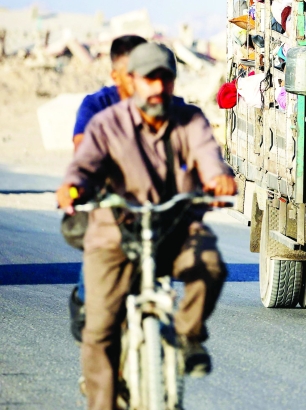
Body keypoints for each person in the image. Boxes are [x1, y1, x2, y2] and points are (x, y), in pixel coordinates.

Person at [56, 43, 236, 410]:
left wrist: (218, 179)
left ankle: (187, 336)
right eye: (149, 79)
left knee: (210, 267)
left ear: (173, 82)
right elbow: (84, 166)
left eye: (165, 79)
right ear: (132, 81)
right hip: (114, 235)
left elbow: (208, 156)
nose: (157, 88)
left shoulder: (191, 120)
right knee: (99, 331)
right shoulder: (107, 124)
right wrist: (73, 187)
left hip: (176, 229)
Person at [72, 35, 148, 149]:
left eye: (147, 72)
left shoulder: (162, 101)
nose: (140, 79)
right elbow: (82, 151)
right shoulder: (97, 105)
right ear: (115, 76)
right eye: (131, 74)